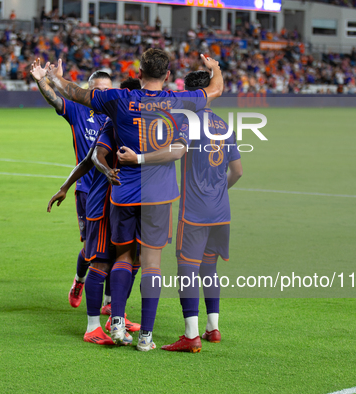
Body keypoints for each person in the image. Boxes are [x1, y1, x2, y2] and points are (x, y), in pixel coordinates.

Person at [45, 49, 224, 351]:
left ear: (139, 72)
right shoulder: (179, 103)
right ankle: (146, 338)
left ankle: (115, 321)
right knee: (151, 264)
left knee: (123, 257)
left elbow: (75, 93)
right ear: (168, 76)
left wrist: (50, 76)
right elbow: (216, 89)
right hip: (159, 195)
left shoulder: (117, 100)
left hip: (123, 192)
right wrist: (214, 66)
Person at [117, 71, 243, 352]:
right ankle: (214, 327)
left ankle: (191, 335)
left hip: (194, 212)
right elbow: (238, 171)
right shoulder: (224, 126)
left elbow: (170, 152)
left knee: (187, 270)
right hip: (222, 210)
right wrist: (220, 191)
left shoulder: (185, 123)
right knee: (209, 268)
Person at [46, 78, 143, 346]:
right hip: (102, 204)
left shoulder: (138, 124)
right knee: (100, 263)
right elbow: (95, 157)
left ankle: (116, 318)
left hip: (127, 205)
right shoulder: (113, 123)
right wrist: (68, 186)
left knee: (130, 260)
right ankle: (92, 327)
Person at [29, 59, 111, 309]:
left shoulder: (118, 113)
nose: (103, 94)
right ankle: (79, 280)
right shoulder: (78, 111)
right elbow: (55, 99)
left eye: (108, 90)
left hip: (114, 189)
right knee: (90, 248)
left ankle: (110, 303)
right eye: (98, 90)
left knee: (115, 247)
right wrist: (43, 80)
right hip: (87, 189)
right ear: (89, 91)